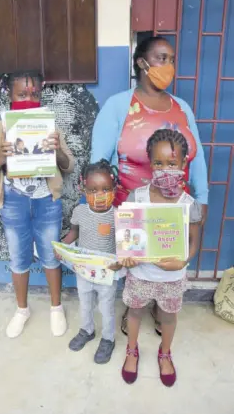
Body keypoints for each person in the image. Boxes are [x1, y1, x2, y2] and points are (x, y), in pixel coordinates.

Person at [90, 35, 209, 335]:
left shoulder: (181, 108)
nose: (168, 65)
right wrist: (99, 213)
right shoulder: (118, 106)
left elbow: (197, 156)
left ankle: (161, 309)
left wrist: (202, 198)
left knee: (165, 263)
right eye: (161, 58)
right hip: (131, 209)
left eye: (171, 59)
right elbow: (98, 164)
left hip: (174, 209)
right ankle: (134, 308)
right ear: (142, 62)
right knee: (137, 269)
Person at [0, 70, 75, 338]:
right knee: (18, 258)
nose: (29, 98)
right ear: (9, 94)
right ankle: (22, 310)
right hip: (14, 202)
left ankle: (56, 308)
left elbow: (69, 165)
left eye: (34, 94)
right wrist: (1, 159)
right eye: (22, 94)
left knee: (50, 255)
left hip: (46, 200)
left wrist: (55, 153)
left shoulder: (49, 127)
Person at [120, 129, 202, 386]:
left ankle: (165, 352)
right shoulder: (138, 198)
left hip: (172, 277)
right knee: (134, 312)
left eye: (172, 163)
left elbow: (193, 243)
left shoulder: (188, 204)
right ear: (149, 162)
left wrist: (184, 261)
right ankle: (131, 350)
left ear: (183, 163)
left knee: (168, 316)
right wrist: (127, 256)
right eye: (158, 163)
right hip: (141, 274)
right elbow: (127, 242)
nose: (165, 169)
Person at [62, 159, 125, 364]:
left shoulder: (118, 216)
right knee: (85, 304)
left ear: (114, 188)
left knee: (106, 308)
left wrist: (121, 262)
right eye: (93, 189)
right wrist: (62, 247)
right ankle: (87, 330)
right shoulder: (80, 212)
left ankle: (108, 339)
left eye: (106, 189)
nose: (99, 195)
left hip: (107, 273)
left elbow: (125, 245)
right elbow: (73, 233)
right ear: (83, 188)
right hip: (84, 272)